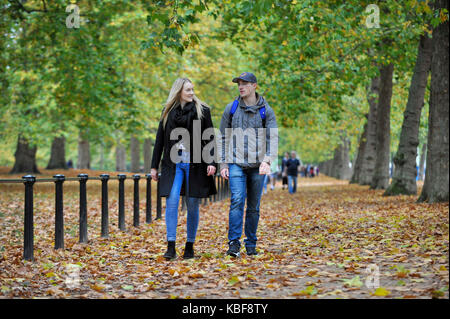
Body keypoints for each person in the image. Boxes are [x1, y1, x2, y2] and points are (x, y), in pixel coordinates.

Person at [151, 78, 217, 260]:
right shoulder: (167, 113)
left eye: (192, 89)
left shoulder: (202, 110)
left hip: (195, 164)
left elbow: (209, 138)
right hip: (173, 164)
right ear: (179, 91)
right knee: (172, 201)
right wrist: (153, 166)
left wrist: (211, 162)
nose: (192, 92)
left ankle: (189, 245)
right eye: (188, 90)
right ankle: (170, 246)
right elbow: (159, 140)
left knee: (193, 204)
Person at [219, 72, 277, 257]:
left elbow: (272, 138)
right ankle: (234, 243)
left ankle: (251, 244)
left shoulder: (266, 111)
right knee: (237, 200)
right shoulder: (232, 108)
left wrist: (267, 160)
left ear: (254, 86)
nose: (240, 87)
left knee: (253, 206)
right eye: (238, 84)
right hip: (235, 163)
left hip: (257, 165)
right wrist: (223, 164)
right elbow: (222, 137)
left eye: (244, 83)